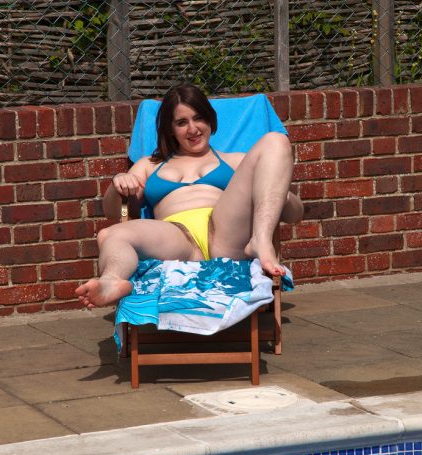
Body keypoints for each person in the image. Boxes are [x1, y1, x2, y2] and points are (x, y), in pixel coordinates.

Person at [76, 83, 303, 309]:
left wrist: (276, 194)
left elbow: (295, 215)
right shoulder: (148, 165)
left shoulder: (236, 161)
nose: (193, 129)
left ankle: (260, 241)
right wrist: (117, 184)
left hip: (224, 234)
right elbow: (114, 213)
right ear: (170, 129)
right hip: (176, 238)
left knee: (276, 140)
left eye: (198, 118)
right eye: (182, 122)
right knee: (110, 234)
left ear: (210, 120)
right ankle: (111, 281)